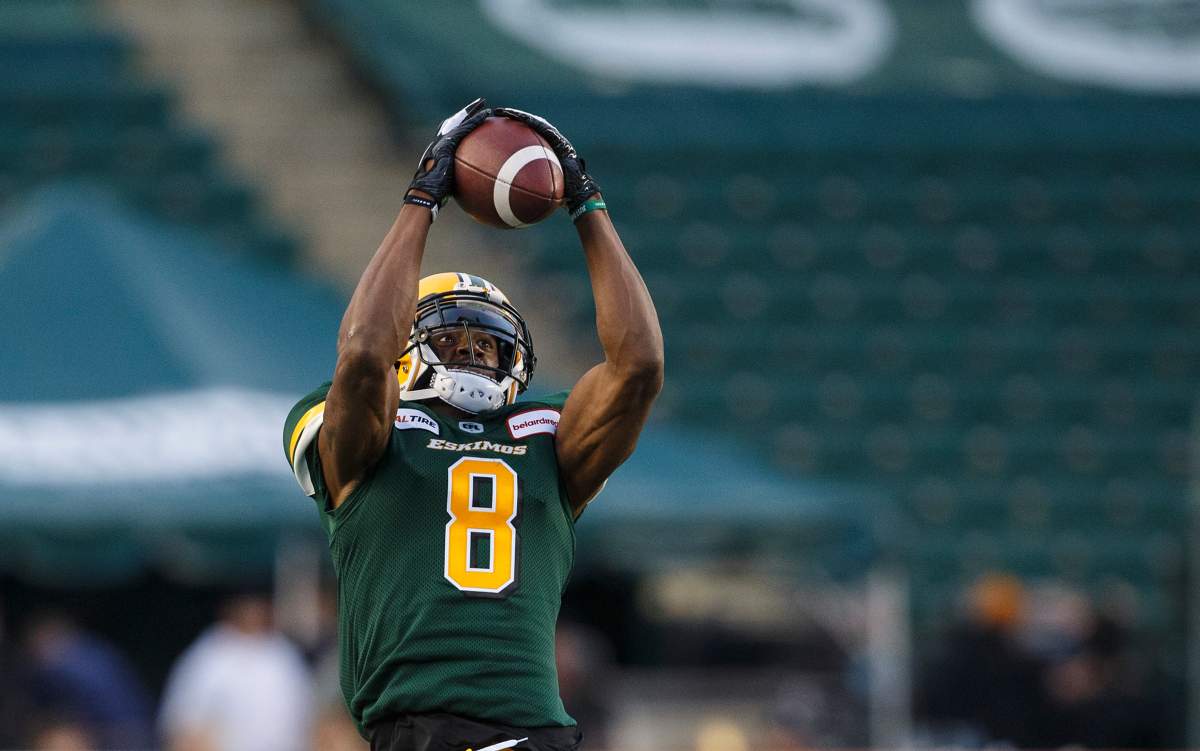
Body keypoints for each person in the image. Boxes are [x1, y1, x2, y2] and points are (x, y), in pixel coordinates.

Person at [282, 98, 663, 751]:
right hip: (409, 730)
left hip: (513, 728)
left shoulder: (549, 430)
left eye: (486, 344)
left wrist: (587, 205)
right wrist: (420, 200)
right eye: (453, 338)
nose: (473, 354)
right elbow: (365, 350)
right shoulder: (368, 419)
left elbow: (640, 365)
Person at [158, 594, 314, 751]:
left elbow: (309, 718)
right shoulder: (210, 653)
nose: (252, 614)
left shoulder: (283, 654)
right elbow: (182, 724)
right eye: (246, 608)